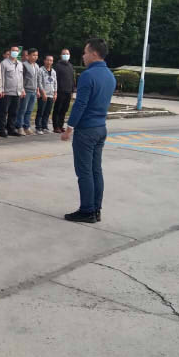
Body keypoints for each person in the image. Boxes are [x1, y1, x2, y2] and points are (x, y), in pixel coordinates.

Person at [62, 38, 116, 223]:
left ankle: (86, 211)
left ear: (94, 54)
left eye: (85, 53)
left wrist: (69, 128)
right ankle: (96, 209)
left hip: (86, 130)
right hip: (101, 127)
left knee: (84, 172)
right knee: (95, 170)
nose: (83, 56)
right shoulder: (110, 76)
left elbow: (80, 104)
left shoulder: (88, 75)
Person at [0, 44, 24, 137]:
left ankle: (11, 129)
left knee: (14, 112)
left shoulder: (20, 64)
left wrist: (22, 89)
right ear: (10, 51)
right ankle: (1, 129)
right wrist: (1, 89)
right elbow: (1, 77)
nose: (15, 52)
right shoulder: (4, 63)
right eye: (13, 50)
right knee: (3, 111)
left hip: (17, 92)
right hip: (7, 92)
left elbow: (21, 78)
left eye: (16, 51)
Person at [16, 48, 40, 135]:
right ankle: (20, 126)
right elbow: (21, 79)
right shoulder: (24, 65)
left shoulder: (36, 66)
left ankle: (27, 126)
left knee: (29, 110)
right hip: (26, 90)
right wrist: (22, 90)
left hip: (34, 91)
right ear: (28, 56)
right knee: (22, 109)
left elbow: (37, 79)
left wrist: (38, 90)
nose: (35, 57)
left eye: (36, 55)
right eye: (33, 55)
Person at [53, 48, 75, 133]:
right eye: (64, 54)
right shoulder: (57, 66)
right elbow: (55, 79)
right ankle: (56, 126)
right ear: (61, 55)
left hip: (68, 91)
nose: (66, 55)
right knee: (58, 109)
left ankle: (61, 125)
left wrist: (72, 90)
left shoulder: (70, 66)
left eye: (67, 54)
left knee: (64, 109)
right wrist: (55, 91)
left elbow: (72, 79)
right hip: (60, 91)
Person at [35, 55, 58, 134]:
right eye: (47, 60)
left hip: (51, 94)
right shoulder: (41, 70)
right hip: (43, 94)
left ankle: (44, 126)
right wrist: (43, 93)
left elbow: (55, 83)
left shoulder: (53, 71)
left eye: (51, 60)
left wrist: (55, 93)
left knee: (47, 112)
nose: (49, 62)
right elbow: (39, 82)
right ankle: (38, 127)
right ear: (44, 61)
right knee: (41, 111)